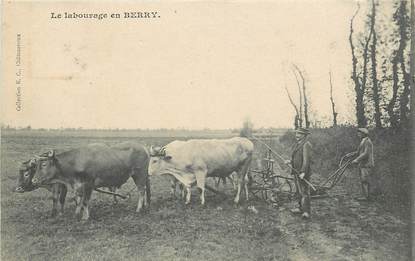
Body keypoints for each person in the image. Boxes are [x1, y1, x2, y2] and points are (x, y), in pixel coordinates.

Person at [286, 127, 313, 219]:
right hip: (296, 171)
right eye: (296, 134)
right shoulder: (298, 144)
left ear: (305, 135)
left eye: (300, 134)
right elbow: (296, 157)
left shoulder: (306, 144)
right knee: (298, 191)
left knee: (304, 191)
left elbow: (306, 160)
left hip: (302, 172)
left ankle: (306, 212)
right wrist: (290, 161)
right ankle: (300, 208)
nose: (297, 136)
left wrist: (303, 172)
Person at [347, 128, 374, 201]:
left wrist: (356, 160)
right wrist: (350, 154)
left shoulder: (368, 141)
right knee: (363, 180)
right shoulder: (363, 141)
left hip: (367, 164)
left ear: (363, 134)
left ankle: (367, 197)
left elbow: (365, 154)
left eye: (359, 133)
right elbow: (358, 152)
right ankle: (365, 195)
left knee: (365, 180)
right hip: (362, 164)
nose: (358, 134)